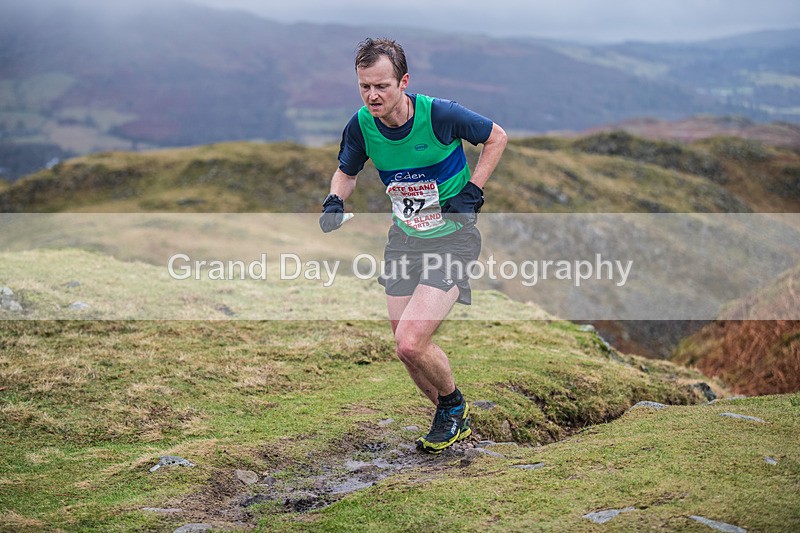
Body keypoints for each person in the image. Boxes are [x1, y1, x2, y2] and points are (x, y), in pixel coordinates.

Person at [319, 38, 507, 454]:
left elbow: (497, 137)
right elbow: (345, 171)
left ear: (403, 81)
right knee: (404, 348)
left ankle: (454, 407)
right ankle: (450, 417)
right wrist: (336, 199)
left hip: (453, 239)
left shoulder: (439, 115)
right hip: (404, 239)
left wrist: (473, 191)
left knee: (410, 341)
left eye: (382, 86)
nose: (373, 95)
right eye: (365, 86)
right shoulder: (361, 125)